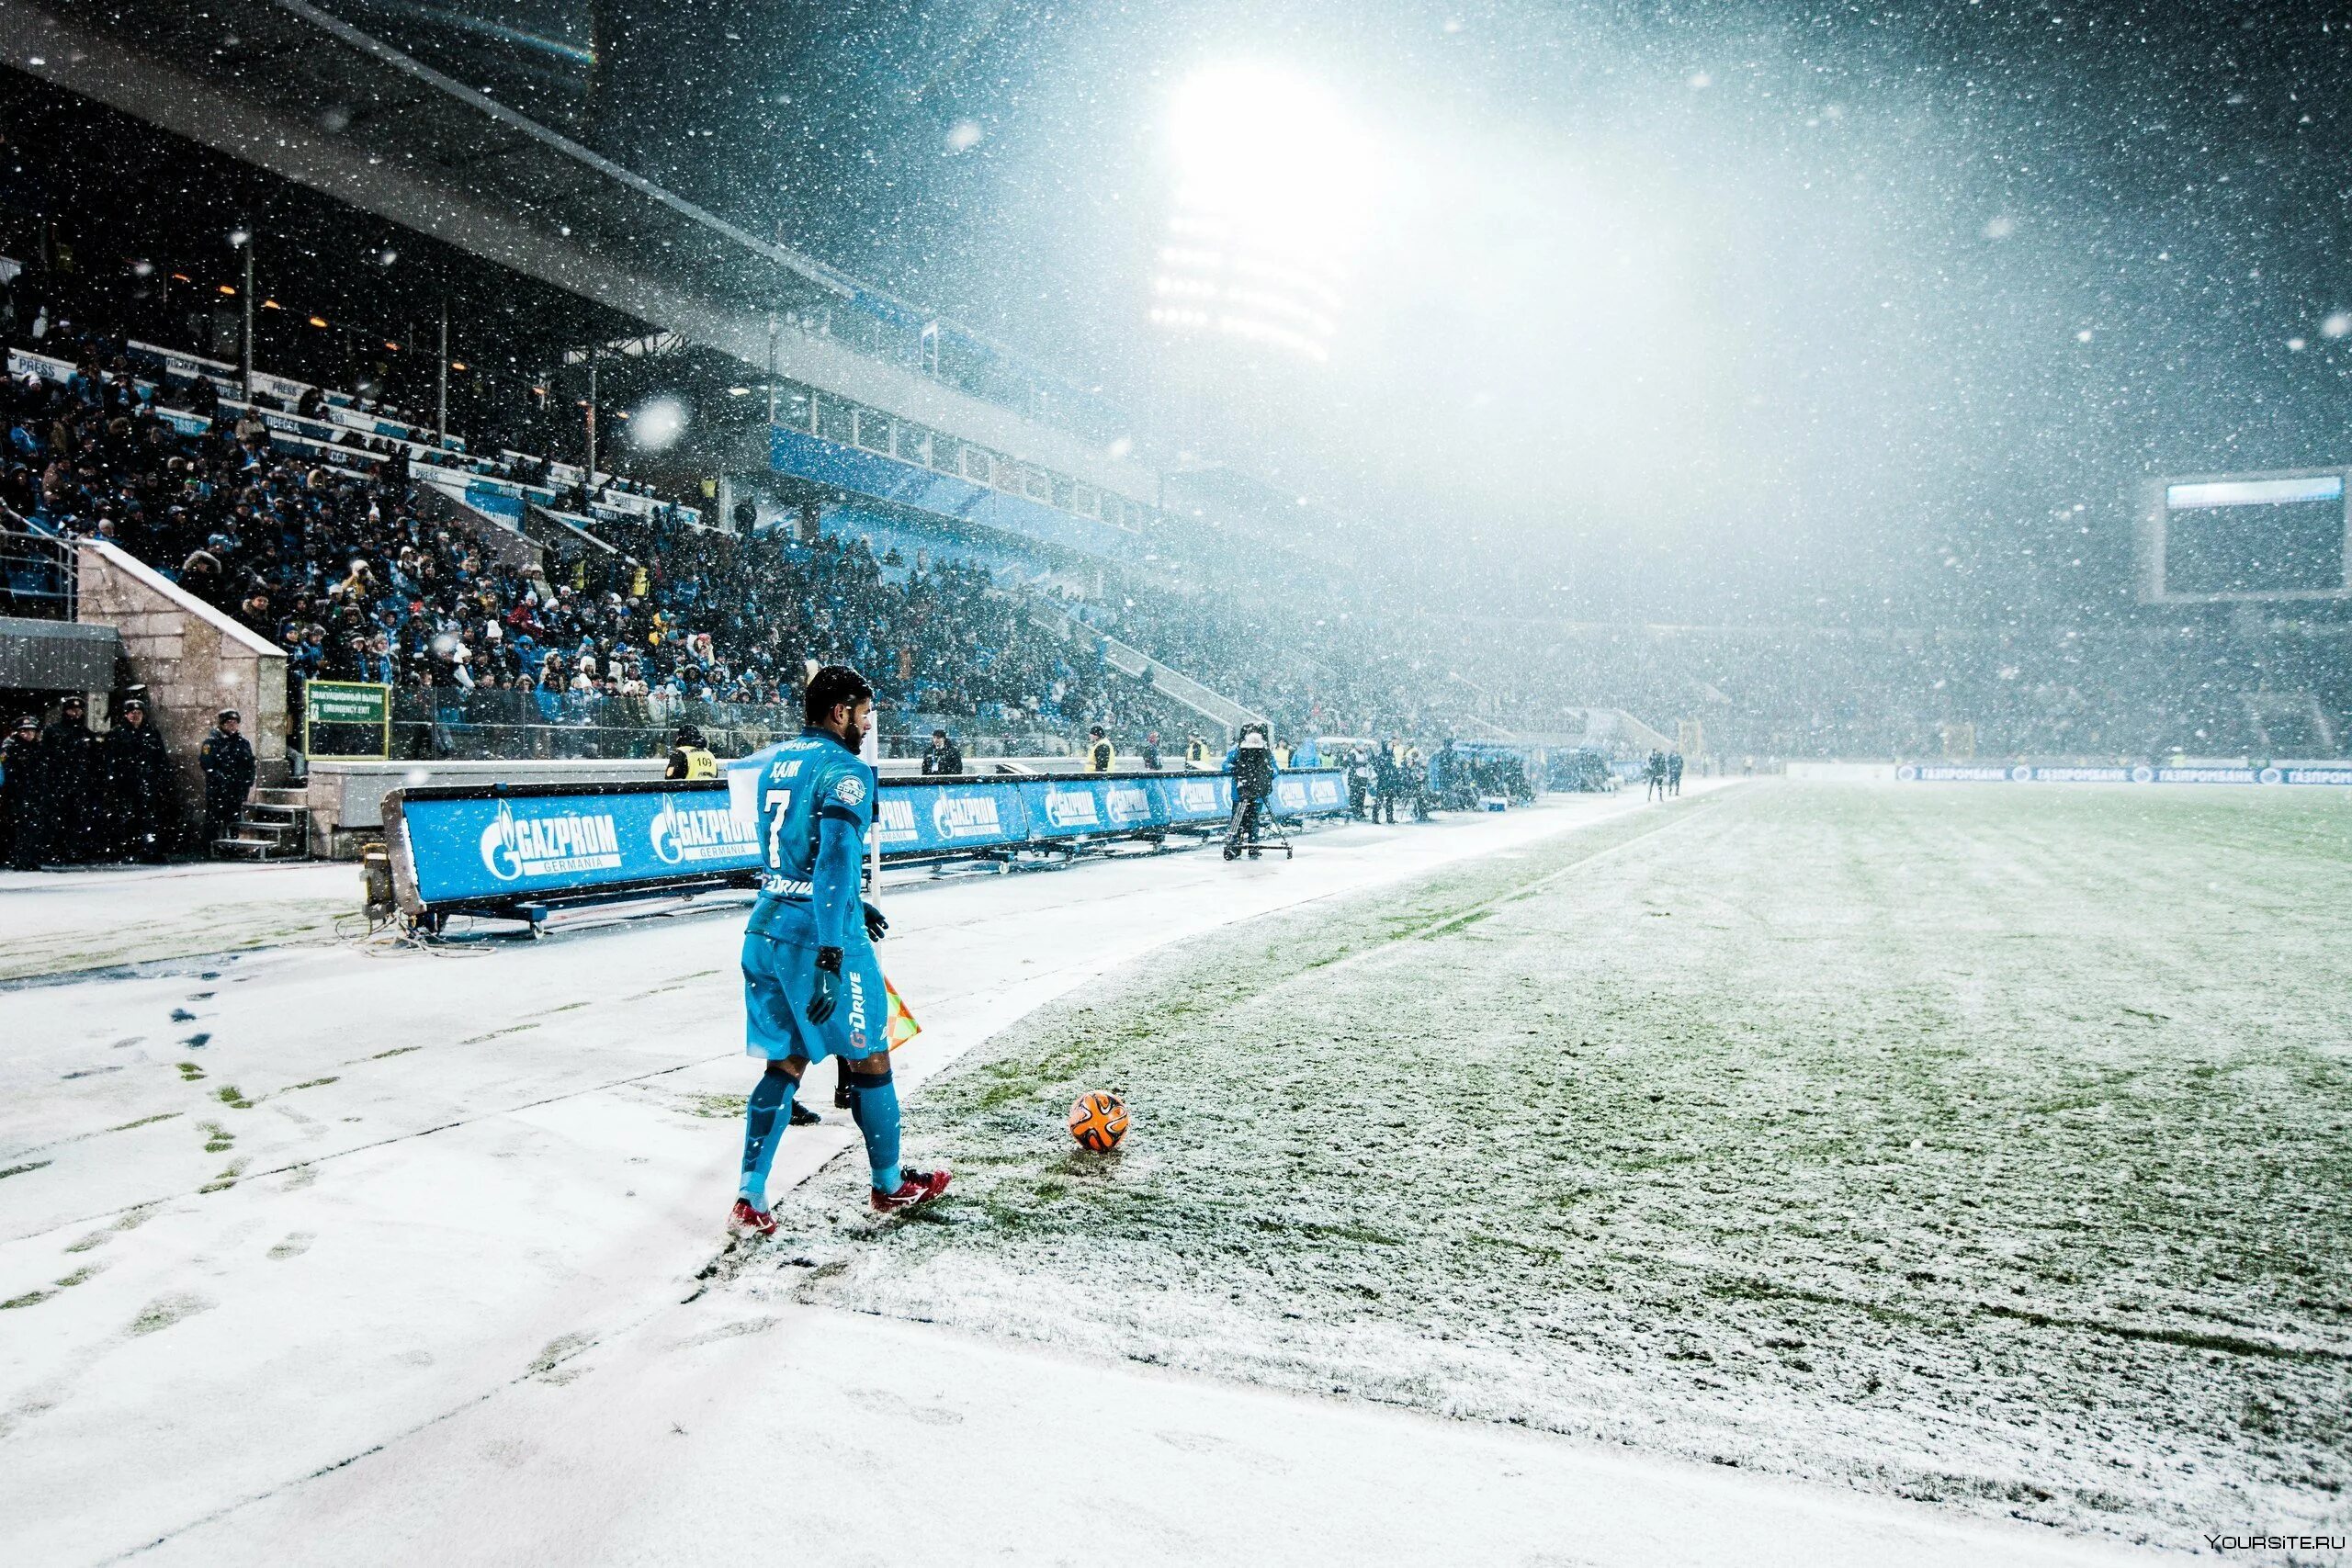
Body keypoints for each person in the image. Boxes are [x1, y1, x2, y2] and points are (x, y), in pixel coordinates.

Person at [729, 664, 948, 1238]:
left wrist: (852, 902)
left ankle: (750, 1195)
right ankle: (889, 1183)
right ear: (840, 712)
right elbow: (831, 861)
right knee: (872, 1056)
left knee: (786, 1061)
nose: (868, 724)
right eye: (865, 712)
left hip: (767, 924)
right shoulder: (846, 770)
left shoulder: (777, 761)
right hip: (818, 938)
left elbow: (794, 853)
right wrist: (832, 947)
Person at [104, 696, 172, 863]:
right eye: (132, 713)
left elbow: (160, 758)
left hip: (147, 782)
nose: (135, 716)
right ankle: (126, 851)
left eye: (138, 713)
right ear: (126, 715)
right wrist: (113, 780)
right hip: (126, 784)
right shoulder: (117, 734)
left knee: (149, 819)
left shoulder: (151, 733)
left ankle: (149, 850)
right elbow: (110, 760)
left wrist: (161, 777)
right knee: (126, 819)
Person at [40, 694, 98, 863]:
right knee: (58, 818)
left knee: (78, 819)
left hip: (80, 783)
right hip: (60, 782)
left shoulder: (85, 733)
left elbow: (94, 760)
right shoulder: (53, 731)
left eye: (79, 710)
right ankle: (56, 850)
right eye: (73, 710)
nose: (76, 713)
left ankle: (75, 849)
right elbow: (47, 758)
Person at [199, 709, 256, 854]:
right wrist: (219, 778)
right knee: (214, 819)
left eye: (235, 723)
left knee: (233, 820)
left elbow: (250, 763)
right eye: (229, 722)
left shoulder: (243, 743)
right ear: (222, 724)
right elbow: (207, 763)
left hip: (236, 788)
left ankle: (232, 846)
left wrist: (247, 782)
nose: (232, 725)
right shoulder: (212, 742)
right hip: (218, 788)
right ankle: (210, 847)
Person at [1222, 721, 1277, 861]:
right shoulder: (1238, 749)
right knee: (1237, 820)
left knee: (1253, 822)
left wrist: (1268, 773)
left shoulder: (1265, 751)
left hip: (1257, 793)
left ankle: (1253, 846)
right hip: (1240, 793)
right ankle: (1235, 845)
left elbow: (1275, 769)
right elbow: (1225, 765)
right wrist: (1236, 769)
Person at [1, 715, 43, 869]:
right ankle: (19, 859)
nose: (28, 734)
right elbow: (10, 772)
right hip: (17, 793)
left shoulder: (38, 747)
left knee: (33, 826)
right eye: (24, 731)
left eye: (31, 731)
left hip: (35, 792)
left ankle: (29, 857)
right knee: (19, 827)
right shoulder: (11, 747)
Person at [1372, 739, 1401, 825]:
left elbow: (1394, 767)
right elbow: (1377, 768)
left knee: (1390, 800)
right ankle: (1375, 818)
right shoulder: (1381, 756)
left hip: (1391, 781)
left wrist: (1395, 776)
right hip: (1383, 782)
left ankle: (1390, 818)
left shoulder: (1392, 756)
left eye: (1391, 746)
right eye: (1389, 745)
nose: (1390, 747)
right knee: (1379, 800)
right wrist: (1383, 775)